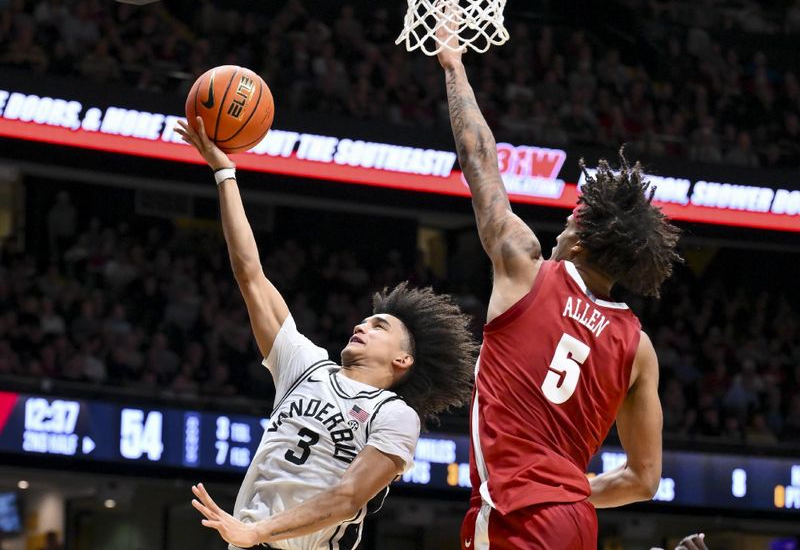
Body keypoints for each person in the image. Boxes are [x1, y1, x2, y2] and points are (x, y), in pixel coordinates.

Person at [174, 117, 477, 550]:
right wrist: (225, 174)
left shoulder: (395, 415)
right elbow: (250, 275)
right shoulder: (304, 365)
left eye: (380, 326)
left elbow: (348, 496)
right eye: (367, 319)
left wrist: (258, 530)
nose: (362, 324)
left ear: (403, 360)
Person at [436, 31, 682, 549]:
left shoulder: (524, 266)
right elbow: (643, 479)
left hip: (514, 515)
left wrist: (453, 67)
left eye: (571, 220)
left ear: (583, 242)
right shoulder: (638, 347)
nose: (561, 227)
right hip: (574, 521)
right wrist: (564, 493)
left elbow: (479, 158)